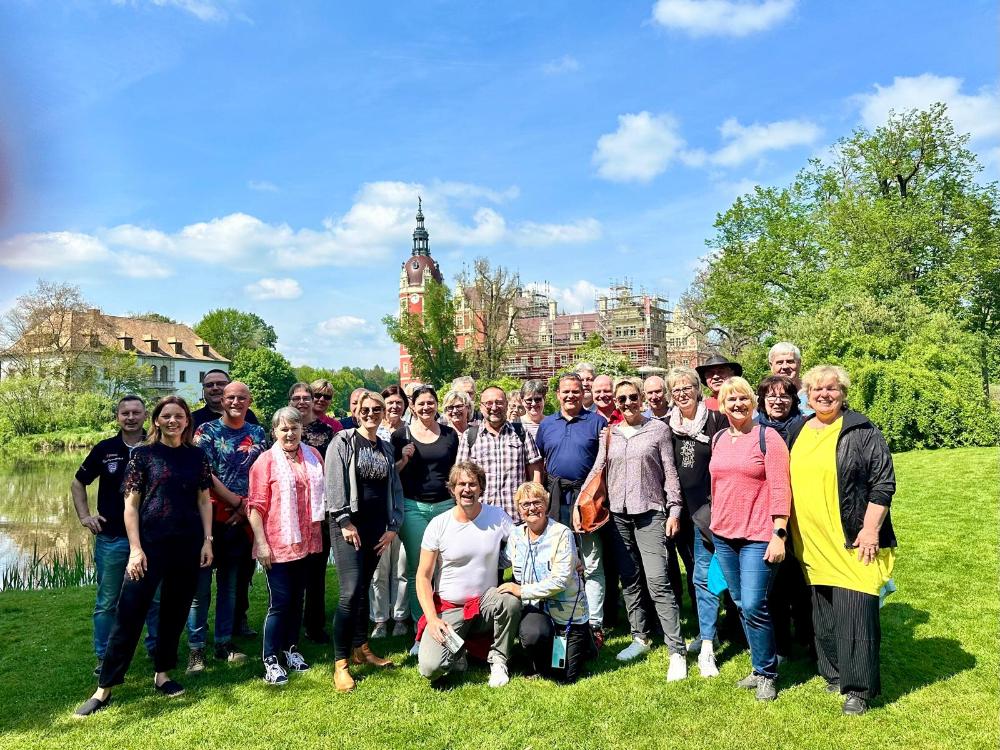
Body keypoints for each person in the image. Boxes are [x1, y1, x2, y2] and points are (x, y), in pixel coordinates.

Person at [73, 396, 213, 717]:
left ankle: (162, 674)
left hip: (188, 545)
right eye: (166, 416)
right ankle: (104, 688)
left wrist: (207, 541)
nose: (173, 421)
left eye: (179, 416)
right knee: (129, 613)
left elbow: (204, 500)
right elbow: (131, 506)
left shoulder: (197, 456)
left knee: (174, 612)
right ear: (157, 421)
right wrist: (135, 549)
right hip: (150, 547)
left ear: (187, 421)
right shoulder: (143, 455)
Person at [787, 365, 897, 716]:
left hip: (853, 539)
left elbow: (883, 483)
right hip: (810, 540)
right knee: (825, 614)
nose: (824, 394)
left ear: (843, 392)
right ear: (806, 393)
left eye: (831, 388)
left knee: (856, 614)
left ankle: (859, 689)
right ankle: (833, 673)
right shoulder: (799, 429)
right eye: (816, 389)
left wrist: (870, 529)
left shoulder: (862, 430)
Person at [584, 378, 688, 680]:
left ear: (641, 399)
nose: (627, 403)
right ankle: (640, 636)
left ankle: (676, 649)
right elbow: (597, 470)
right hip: (618, 515)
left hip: (651, 512)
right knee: (630, 579)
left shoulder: (658, 430)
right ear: (616, 403)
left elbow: (670, 471)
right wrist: (582, 503)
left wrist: (675, 509)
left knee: (658, 580)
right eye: (622, 399)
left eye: (632, 397)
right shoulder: (610, 434)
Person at [709, 376, 791, 702]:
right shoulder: (718, 438)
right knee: (742, 603)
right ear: (722, 405)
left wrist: (779, 534)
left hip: (758, 534)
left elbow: (782, 489)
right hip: (725, 534)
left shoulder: (767, 437)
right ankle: (759, 667)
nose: (738, 404)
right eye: (731, 400)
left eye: (743, 398)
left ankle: (768, 674)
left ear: (752, 402)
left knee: (756, 603)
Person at [72, 395, 159, 676]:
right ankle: (104, 655)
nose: (131, 417)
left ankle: (156, 649)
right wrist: (85, 516)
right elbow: (78, 482)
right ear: (117, 417)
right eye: (125, 413)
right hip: (111, 537)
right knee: (107, 600)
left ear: (146, 415)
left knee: (155, 598)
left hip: (151, 538)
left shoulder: (156, 446)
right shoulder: (105, 449)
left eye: (136, 412)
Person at [415, 462, 520, 688]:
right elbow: (423, 577)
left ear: (481, 488)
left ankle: (499, 660)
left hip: (485, 606)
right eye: (461, 484)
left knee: (510, 601)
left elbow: (524, 541)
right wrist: (432, 619)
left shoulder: (497, 516)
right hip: (450, 610)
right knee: (431, 668)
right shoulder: (438, 525)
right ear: (452, 489)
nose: (467, 489)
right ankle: (458, 651)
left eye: (473, 484)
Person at [186, 381, 267, 672]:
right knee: (200, 590)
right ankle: (196, 650)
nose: (235, 402)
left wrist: (247, 509)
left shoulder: (258, 433)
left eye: (241, 397)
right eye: (230, 397)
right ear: (222, 400)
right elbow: (203, 471)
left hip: (243, 519)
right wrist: (236, 501)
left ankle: (223, 643)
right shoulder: (205, 431)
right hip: (210, 517)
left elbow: (263, 473)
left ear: (249, 400)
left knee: (230, 587)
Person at [326, 391, 403, 692]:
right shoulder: (343, 442)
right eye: (365, 409)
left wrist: (393, 526)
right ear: (356, 412)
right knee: (350, 591)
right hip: (348, 527)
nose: (371, 413)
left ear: (384, 413)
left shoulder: (385, 447)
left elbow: (393, 487)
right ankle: (340, 663)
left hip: (375, 528)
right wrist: (344, 520)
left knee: (362, 590)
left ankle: (362, 648)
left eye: (377, 409)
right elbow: (334, 482)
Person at [247, 407, 325, 686]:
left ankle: (291, 648)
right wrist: (261, 543)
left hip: (306, 541)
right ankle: (270, 659)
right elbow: (254, 507)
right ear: (274, 432)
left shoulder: (314, 456)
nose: (290, 433)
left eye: (294, 428)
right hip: (277, 544)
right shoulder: (265, 462)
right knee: (279, 604)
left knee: (297, 600)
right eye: (284, 429)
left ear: (301, 429)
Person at [534, 373, 608, 646]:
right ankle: (557, 617)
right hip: (555, 498)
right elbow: (540, 464)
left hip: (587, 498)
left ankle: (595, 623)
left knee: (590, 561)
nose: (571, 396)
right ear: (557, 395)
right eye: (565, 391)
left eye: (576, 391)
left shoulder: (597, 423)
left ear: (583, 392)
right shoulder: (547, 425)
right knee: (555, 559)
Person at [666, 366, 728, 676]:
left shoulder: (717, 421)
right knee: (695, 574)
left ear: (697, 389)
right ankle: (711, 632)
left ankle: (709, 643)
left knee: (710, 575)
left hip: (713, 511)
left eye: (686, 387)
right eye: (675, 389)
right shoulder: (669, 427)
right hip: (683, 514)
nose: (681, 393)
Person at [500, 482, 590, 683]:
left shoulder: (562, 534)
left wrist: (520, 590)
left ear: (546, 504)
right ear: (519, 510)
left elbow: (560, 581)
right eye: (525, 504)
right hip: (537, 610)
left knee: (564, 676)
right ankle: (536, 659)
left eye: (537, 502)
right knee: (534, 634)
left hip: (567, 614)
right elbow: (500, 560)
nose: (532, 508)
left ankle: (586, 642)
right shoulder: (515, 535)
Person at [393, 385, 460, 640]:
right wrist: (404, 460)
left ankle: (446, 617)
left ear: (436, 404)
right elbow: (392, 474)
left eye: (430, 402)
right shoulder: (401, 436)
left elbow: (456, 471)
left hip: (445, 507)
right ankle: (421, 624)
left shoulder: (450, 434)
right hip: (413, 508)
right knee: (418, 569)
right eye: (421, 403)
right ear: (412, 406)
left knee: (446, 566)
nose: (426, 407)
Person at [755, 374, 813, 664]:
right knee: (774, 586)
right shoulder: (755, 430)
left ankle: (810, 640)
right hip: (768, 516)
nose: (778, 401)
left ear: (794, 400)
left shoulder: (804, 427)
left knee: (804, 582)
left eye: (785, 396)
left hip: (803, 515)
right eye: (771, 396)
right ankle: (780, 647)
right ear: (762, 400)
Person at [288, 382, 336, 643]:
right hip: (289, 510)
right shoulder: (283, 428)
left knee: (316, 571)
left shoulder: (327, 432)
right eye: (297, 398)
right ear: (290, 400)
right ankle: (289, 623)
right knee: (291, 570)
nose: (303, 401)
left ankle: (315, 625)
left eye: (307, 397)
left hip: (319, 509)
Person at [456, 386, 543, 522]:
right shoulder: (470, 436)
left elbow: (535, 471)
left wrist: (534, 503)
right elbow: (459, 478)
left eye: (499, 402)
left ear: (506, 405)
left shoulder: (521, 432)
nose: (494, 407)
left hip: (517, 517)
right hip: (481, 518)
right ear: (481, 406)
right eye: (489, 403)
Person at [370, 385, 411, 638]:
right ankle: (379, 618)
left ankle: (400, 616)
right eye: (389, 403)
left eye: (398, 402)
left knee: (402, 566)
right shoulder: (375, 432)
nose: (394, 407)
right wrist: (403, 462)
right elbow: (378, 473)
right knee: (379, 567)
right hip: (379, 507)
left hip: (406, 504)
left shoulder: (412, 431)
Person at [191, 369, 259, 428]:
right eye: (209, 385)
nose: (215, 388)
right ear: (203, 389)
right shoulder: (192, 419)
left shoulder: (247, 414)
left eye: (220, 384)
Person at [768, 342, 813, 417]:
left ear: (799, 363)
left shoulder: (813, 392)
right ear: (771, 365)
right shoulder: (765, 397)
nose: (785, 366)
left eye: (790, 362)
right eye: (780, 362)